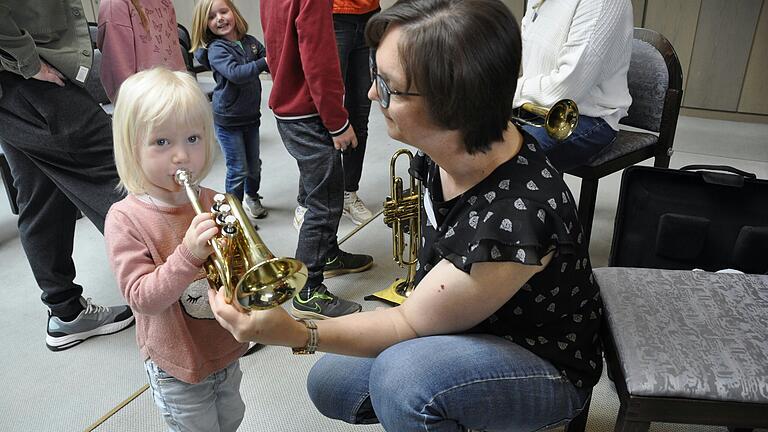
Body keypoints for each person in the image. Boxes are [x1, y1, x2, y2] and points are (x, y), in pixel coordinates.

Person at [210, 0, 603, 430]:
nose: (372, 93)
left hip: (544, 360)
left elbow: (407, 320)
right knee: (332, 382)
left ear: (453, 104)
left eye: (388, 85)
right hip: (472, 320)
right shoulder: (452, 147)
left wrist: (297, 331)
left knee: (406, 380)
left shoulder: (518, 217)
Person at [104, 67, 247, 432]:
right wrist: (187, 254)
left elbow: (239, 271)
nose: (182, 155)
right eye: (162, 143)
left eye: (194, 138)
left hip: (225, 349)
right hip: (177, 363)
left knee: (231, 419)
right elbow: (142, 298)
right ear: (131, 147)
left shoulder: (216, 200)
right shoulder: (126, 219)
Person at [0, 0, 135, 352]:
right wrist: (27, 63)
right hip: (26, 75)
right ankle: (192, 298)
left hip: (13, 82)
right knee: (124, 174)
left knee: (42, 195)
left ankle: (66, 312)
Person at [260, 0, 374, 319]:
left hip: (289, 106)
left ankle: (329, 255)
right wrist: (337, 122)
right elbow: (319, 58)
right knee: (324, 202)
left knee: (321, 190)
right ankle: (309, 289)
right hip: (309, 111)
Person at [513, 0, 633, 172]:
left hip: (588, 116)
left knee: (504, 156)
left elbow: (565, 90)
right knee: (466, 136)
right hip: (535, 105)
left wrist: (511, 92)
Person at [190, 0, 269, 222]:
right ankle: (233, 213)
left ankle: (252, 197)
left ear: (234, 12)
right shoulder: (217, 49)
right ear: (205, 25)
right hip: (228, 120)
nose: (220, 18)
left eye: (223, 11)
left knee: (254, 165)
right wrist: (264, 62)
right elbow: (236, 73)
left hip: (251, 116)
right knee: (238, 169)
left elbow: (270, 59)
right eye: (212, 17)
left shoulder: (250, 43)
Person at [332, 0, 380, 226]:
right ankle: (313, 199)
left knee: (360, 114)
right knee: (326, 114)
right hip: (331, 15)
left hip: (369, 14)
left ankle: (348, 193)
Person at [96, 0, 187, 103]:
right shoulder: (115, 5)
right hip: (145, 108)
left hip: (175, 98)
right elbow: (121, 83)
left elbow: (176, 59)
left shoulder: (164, 2)